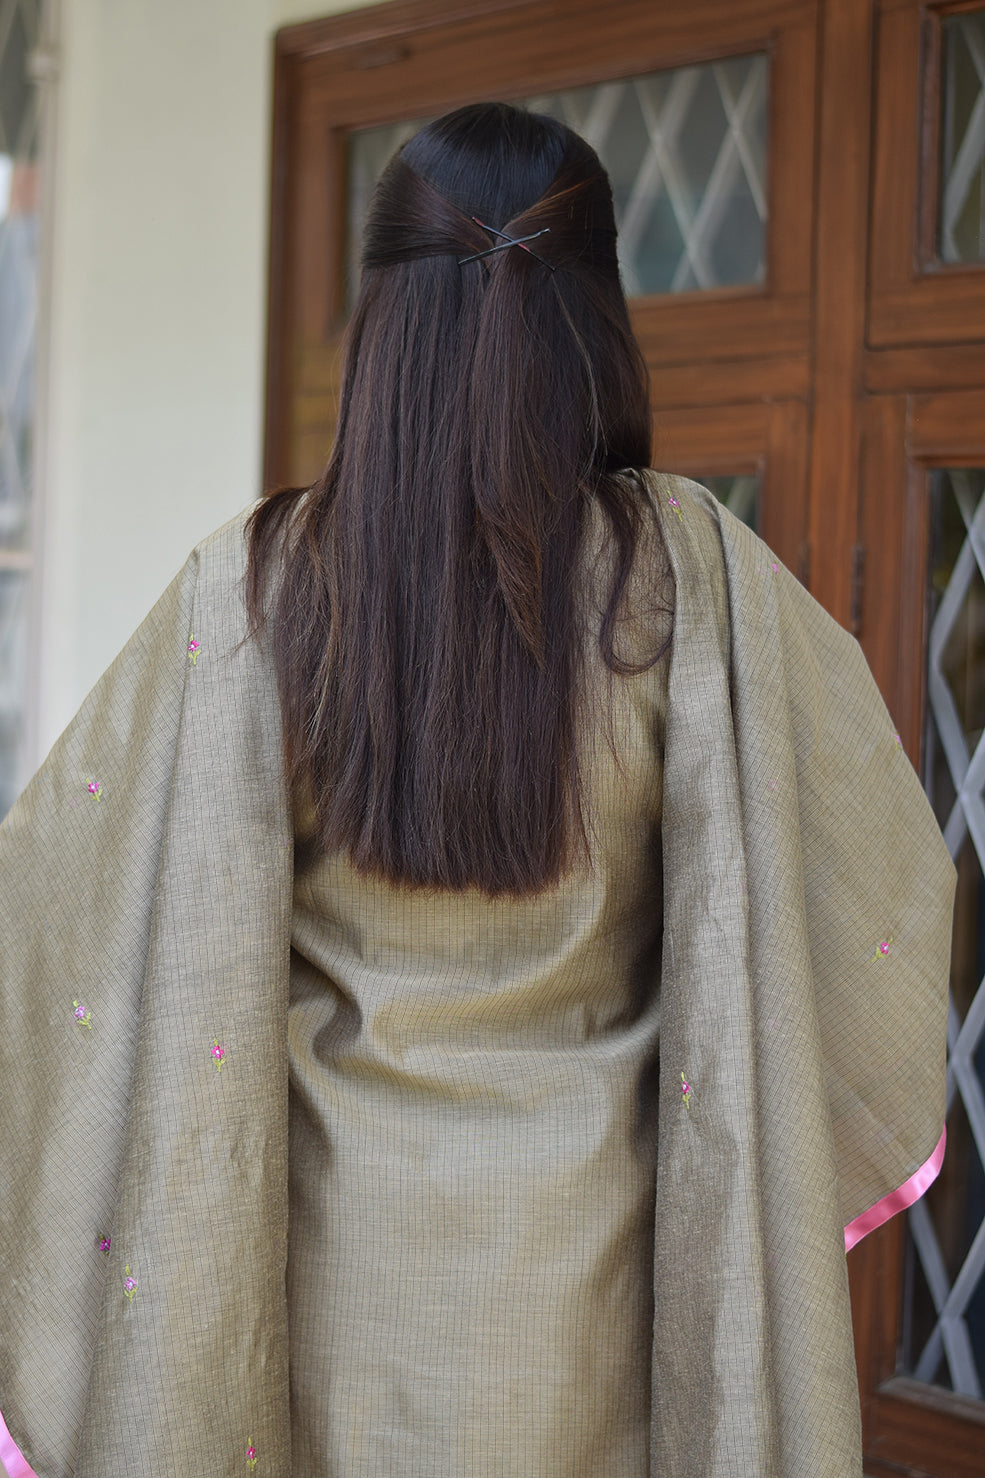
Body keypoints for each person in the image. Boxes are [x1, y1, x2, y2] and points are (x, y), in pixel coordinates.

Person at [0, 103, 954, 1478]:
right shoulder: (690, 577)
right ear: (596, 310)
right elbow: (872, 868)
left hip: (318, 1292)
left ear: (380, 313)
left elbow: (54, 911)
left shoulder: (258, 587)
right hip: (600, 1293)